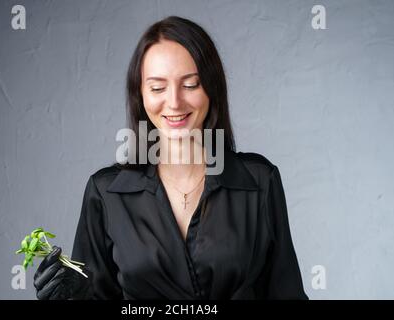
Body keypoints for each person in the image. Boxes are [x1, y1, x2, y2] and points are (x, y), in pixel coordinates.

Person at [34, 16, 308, 300]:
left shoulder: (259, 181)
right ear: (140, 95)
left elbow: (287, 294)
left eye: (190, 84)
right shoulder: (106, 194)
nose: (174, 102)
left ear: (212, 89)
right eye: (157, 88)